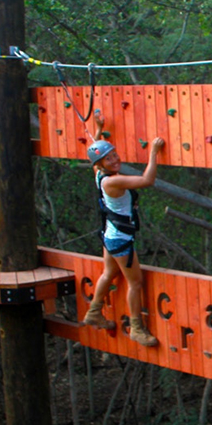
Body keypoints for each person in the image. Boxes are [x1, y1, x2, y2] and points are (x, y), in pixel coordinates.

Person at [81, 137, 165, 348]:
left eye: (114, 154)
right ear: (99, 164)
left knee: (109, 274)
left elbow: (94, 153)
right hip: (120, 239)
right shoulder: (112, 181)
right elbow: (147, 180)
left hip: (111, 234)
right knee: (135, 283)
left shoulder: (100, 175)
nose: (115, 159)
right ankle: (137, 328)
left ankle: (93, 312)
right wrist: (153, 151)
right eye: (108, 158)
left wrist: (99, 129)